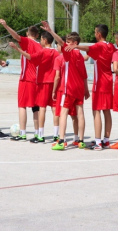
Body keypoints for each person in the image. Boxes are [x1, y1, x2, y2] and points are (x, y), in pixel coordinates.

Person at [66, 24, 116, 150]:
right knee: (107, 111)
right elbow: (90, 55)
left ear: (99, 34)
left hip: (100, 84)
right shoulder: (110, 46)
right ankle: (106, 140)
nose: (94, 34)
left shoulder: (99, 46)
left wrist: (75, 46)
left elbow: (88, 48)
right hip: (109, 82)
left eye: (95, 32)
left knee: (96, 111)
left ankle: (98, 142)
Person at [40, 23, 89, 151]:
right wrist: (86, 90)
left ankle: (61, 140)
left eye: (68, 42)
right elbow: (84, 76)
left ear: (74, 43)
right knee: (80, 113)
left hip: (69, 88)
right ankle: (81, 140)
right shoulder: (80, 56)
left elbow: (60, 41)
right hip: (79, 89)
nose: (65, 44)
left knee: (63, 112)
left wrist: (50, 31)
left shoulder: (69, 53)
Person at [10, 31, 60, 143]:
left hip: (43, 83)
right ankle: (56, 135)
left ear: (45, 40)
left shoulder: (43, 52)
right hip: (54, 83)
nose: (40, 41)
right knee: (54, 108)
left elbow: (30, 57)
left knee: (42, 108)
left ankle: (40, 135)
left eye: (42, 39)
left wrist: (17, 49)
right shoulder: (56, 53)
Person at [0, 20, 42, 142]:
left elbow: (15, 36)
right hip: (37, 79)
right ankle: (38, 133)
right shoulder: (40, 46)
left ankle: (22, 133)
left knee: (22, 106)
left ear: (28, 34)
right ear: (38, 35)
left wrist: (6, 25)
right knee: (35, 107)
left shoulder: (27, 42)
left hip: (26, 78)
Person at [52, 39, 79, 145]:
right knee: (74, 115)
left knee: (61, 114)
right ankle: (77, 138)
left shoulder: (59, 58)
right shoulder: (76, 56)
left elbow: (57, 76)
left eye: (58, 45)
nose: (57, 47)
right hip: (74, 88)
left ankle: (61, 138)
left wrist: (54, 90)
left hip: (63, 89)